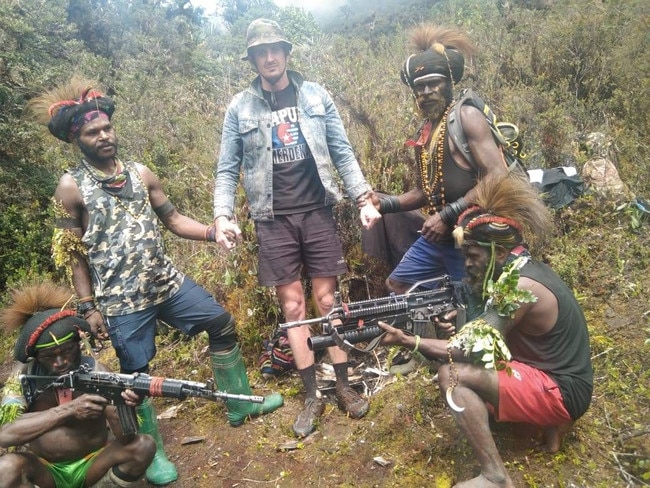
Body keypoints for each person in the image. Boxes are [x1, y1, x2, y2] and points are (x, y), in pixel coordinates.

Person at [27, 76, 284, 485]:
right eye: (93, 132)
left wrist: (214, 232)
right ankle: (152, 453)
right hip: (121, 300)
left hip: (166, 283)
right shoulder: (70, 187)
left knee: (220, 322)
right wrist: (88, 308)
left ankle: (240, 406)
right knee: (136, 377)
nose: (104, 136)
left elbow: (174, 220)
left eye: (107, 128)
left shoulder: (142, 173)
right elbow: (73, 256)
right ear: (78, 139)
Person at [213, 18, 382, 438]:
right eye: (260, 52)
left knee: (328, 300)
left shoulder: (315, 95)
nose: (269, 58)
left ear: (287, 53)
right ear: (252, 59)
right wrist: (222, 215)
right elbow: (226, 169)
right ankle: (312, 396)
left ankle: (342, 384)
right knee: (293, 309)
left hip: (317, 211)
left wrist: (363, 198)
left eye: (275, 50)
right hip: (273, 219)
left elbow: (342, 151)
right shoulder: (240, 107)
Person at [379, 173, 593, 487]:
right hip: (558, 379)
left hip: (563, 392)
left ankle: (496, 476)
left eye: (472, 255)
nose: (466, 264)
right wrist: (459, 322)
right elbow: (490, 334)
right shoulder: (520, 269)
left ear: (500, 253)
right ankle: (549, 425)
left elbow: (468, 350)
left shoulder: (519, 286)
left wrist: (408, 341)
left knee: (452, 375)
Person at [371, 24, 508, 294]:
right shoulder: (424, 133)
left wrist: (447, 215)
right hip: (439, 234)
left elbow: (498, 174)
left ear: (448, 83)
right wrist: (382, 205)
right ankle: (442, 316)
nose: (426, 92)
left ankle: (457, 316)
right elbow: (425, 192)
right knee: (398, 284)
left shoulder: (466, 117)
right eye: (420, 87)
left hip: (473, 234)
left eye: (434, 83)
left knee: (474, 300)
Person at [0, 282, 156, 488]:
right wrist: (69, 410)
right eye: (49, 356)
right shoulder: (22, 377)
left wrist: (124, 407)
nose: (60, 362)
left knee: (143, 446)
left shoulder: (98, 372)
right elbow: (5, 435)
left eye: (66, 351)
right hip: (44, 470)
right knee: (6, 468)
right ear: (36, 357)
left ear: (78, 344)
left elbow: (128, 439)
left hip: (94, 464)